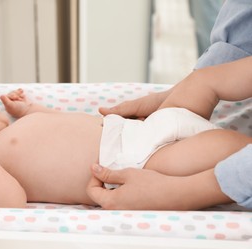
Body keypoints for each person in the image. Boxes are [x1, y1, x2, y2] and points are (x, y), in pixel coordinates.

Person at [0, 85, 252, 208]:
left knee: (222, 139)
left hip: (134, 130)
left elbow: (59, 125)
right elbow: (9, 202)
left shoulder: (14, 128)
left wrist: (29, 110)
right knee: (222, 148)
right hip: (132, 163)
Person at [87, 55, 252, 210]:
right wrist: (175, 94)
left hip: (145, 160)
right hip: (146, 132)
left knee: (202, 82)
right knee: (201, 81)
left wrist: (179, 193)